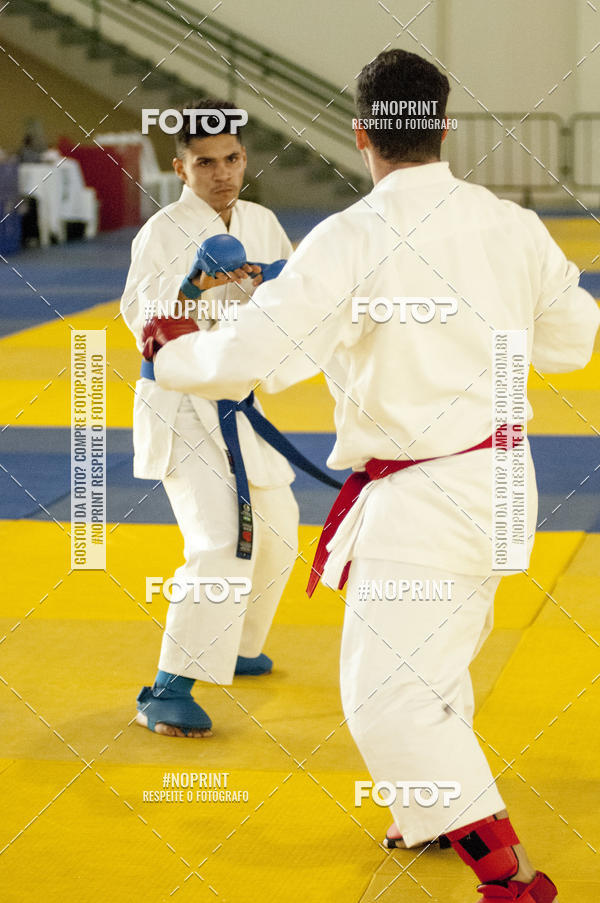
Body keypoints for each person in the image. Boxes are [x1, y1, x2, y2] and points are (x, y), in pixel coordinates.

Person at [140, 52, 599, 901]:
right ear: (442, 129)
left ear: (360, 135)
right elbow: (575, 342)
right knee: (439, 663)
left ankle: (506, 876)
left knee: (386, 697)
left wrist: (169, 355)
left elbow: (255, 356)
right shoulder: (510, 223)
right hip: (500, 485)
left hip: (425, 499)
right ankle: (423, 808)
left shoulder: (351, 238)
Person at [121, 99, 299, 738]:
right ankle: (167, 688)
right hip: (180, 407)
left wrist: (274, 276)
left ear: (244, 158)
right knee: (221, 542)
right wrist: (193, 289)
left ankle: (237, 645)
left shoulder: (259, 220)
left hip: (236, 403)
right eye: (205, 163)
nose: (221, 173)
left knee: (279, 534)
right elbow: (144, 324)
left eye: (231, 159)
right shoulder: (162, 231)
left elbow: (291, 298)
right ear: (180, 167)